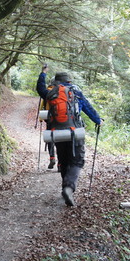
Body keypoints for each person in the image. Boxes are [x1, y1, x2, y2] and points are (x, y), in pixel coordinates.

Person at [36, 64, 102, 206]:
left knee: (64, 160)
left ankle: (64, 187)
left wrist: (43, 73)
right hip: (75, 132)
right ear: (69, 81)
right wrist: (98, 120)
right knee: (77, 160)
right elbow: (87, 107)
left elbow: (39, 89)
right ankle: (68, 187)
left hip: (57, 132)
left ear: (56, 82)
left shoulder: (51, 91)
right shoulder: (75, 91)